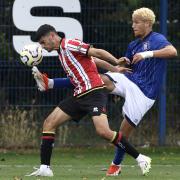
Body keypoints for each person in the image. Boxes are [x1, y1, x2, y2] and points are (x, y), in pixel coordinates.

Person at [32, 7, 177, 177]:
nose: (133, 26)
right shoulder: (133, 45)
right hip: (126, 82)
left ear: (147, 23)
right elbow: (109, 65)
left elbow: (172, 52)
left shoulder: (157, 39)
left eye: (136, 22)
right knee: (97, 81)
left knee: (119, 131)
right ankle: (45, 168)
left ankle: (120, 163)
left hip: (145, 93)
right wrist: (117, 67)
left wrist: (146, 55)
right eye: (132, 22)